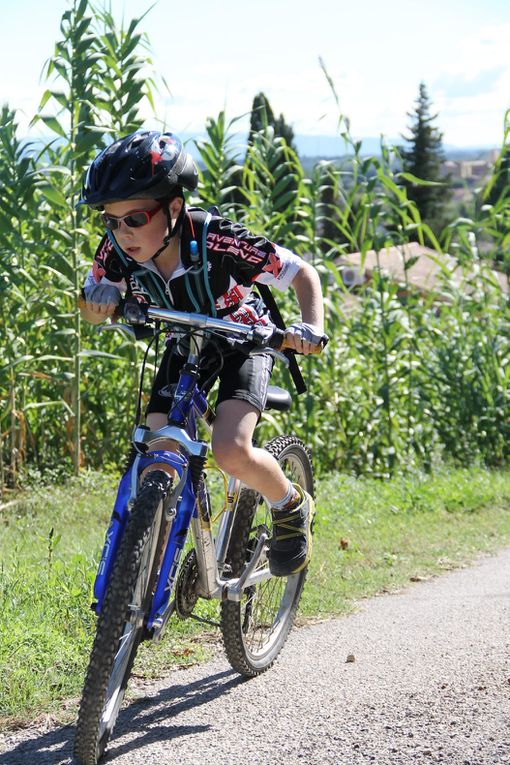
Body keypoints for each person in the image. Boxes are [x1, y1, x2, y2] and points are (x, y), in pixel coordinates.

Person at [78, 129, 326, 577]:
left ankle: (290, 504)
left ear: (174, 209)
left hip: (242, 340)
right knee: (159, 449)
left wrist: (310, 327)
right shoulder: (117, 250)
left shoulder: (220, 241)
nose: (122, 233)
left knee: (230, 450)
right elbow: (95, 304)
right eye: (111, 221)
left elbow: (301, 274)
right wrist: (97, 302)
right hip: (183, 340)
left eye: (134, 218)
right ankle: (144, 560)